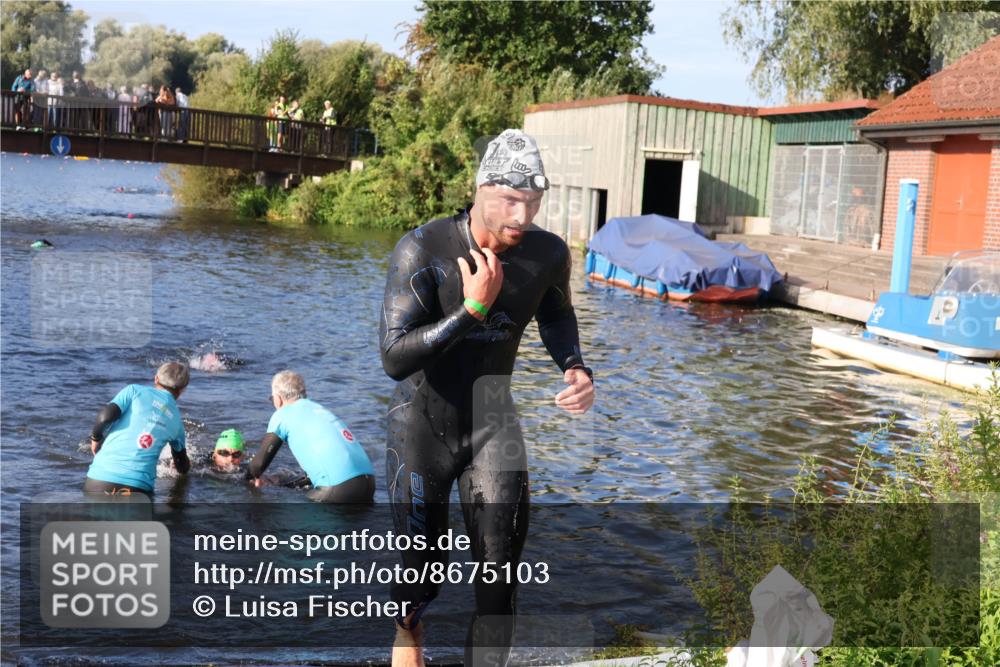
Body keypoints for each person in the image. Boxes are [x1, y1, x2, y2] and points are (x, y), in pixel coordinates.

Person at [378, 128, 595, 667]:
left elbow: (556, 312)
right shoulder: (422, 249)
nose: (522, 217)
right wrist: (470, 311)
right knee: (416, 584)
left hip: (494, 419)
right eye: (510, 201)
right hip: (422, 424)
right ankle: (409, 641)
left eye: (534, 203)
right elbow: (394, 357)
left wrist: (575, 366)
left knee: (499, 584)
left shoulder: (547, 253)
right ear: (480, 190)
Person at [245, 371, 375, 503]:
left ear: (278, 399)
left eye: (271, 399)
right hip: (369, 483)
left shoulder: (282, 414)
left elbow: (258, 465)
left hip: (338, 487)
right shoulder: (319, 409)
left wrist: (244, 481)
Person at [84, 362, 191, 498]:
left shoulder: (134, 391)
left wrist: (96, 438)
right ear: (183, 389)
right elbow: (182, 466)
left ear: (156, 379)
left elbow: (105, 417)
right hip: (139, 488)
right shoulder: (177, 423)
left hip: (98, 481)